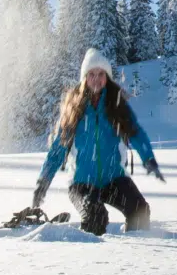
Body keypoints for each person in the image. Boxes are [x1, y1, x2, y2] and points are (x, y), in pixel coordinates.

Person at [32, 49, 163, 235]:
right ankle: (91, 260)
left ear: (107, 77)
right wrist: (43, 182)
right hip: (82, 183)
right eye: (91, 74)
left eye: (101, 74)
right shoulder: (75, 109)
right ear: (84, 77)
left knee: (140, 212)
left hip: (113, 180)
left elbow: (136, 134)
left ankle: (133, 254)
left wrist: (148, 158)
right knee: (95, 217)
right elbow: (57, 150)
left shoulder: (116, 106)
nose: (96, 79)